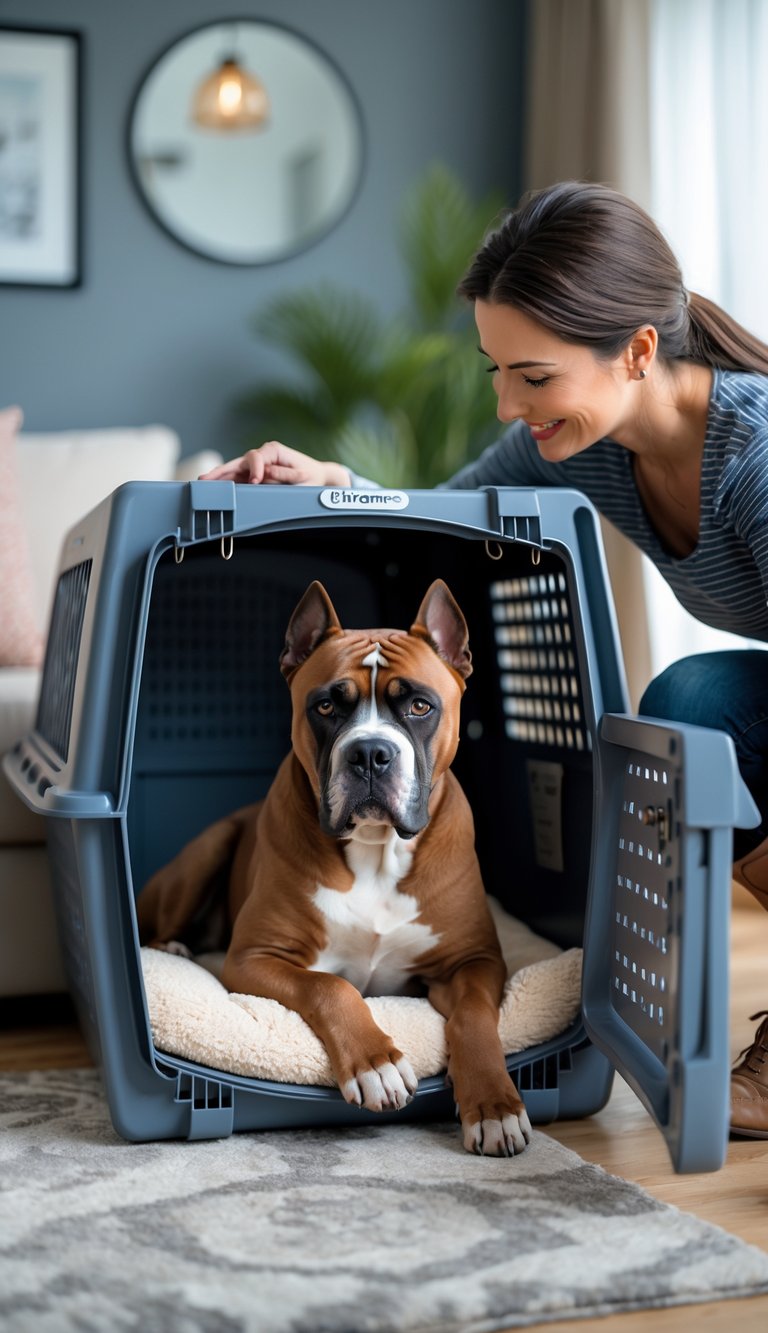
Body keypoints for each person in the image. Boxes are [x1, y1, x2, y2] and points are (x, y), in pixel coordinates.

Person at [202, 180, 768, 1138]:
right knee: (685, 704)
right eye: (495, 369)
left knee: (692, 705)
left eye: (534, 376)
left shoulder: (753, 457)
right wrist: (335, 482)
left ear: (637, 351)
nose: (508, 402)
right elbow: (448, 511)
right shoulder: (579, 442)